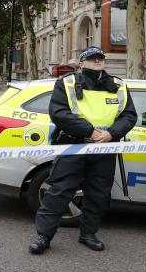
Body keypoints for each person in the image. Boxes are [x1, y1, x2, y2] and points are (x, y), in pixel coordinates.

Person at [29, 46, 137, 254]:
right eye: (91, 58)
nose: (97, 61)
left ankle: (88, 234)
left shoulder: (118, 85)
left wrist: (111, 133)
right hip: (74, 145)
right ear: (81, 63)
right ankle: (43, 236)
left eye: (100, 58)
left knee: (98, 194)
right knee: (59, 191)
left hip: (104, 148)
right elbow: (59, 113)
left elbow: (129, 116)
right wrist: (90, 132)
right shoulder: (67, 82)